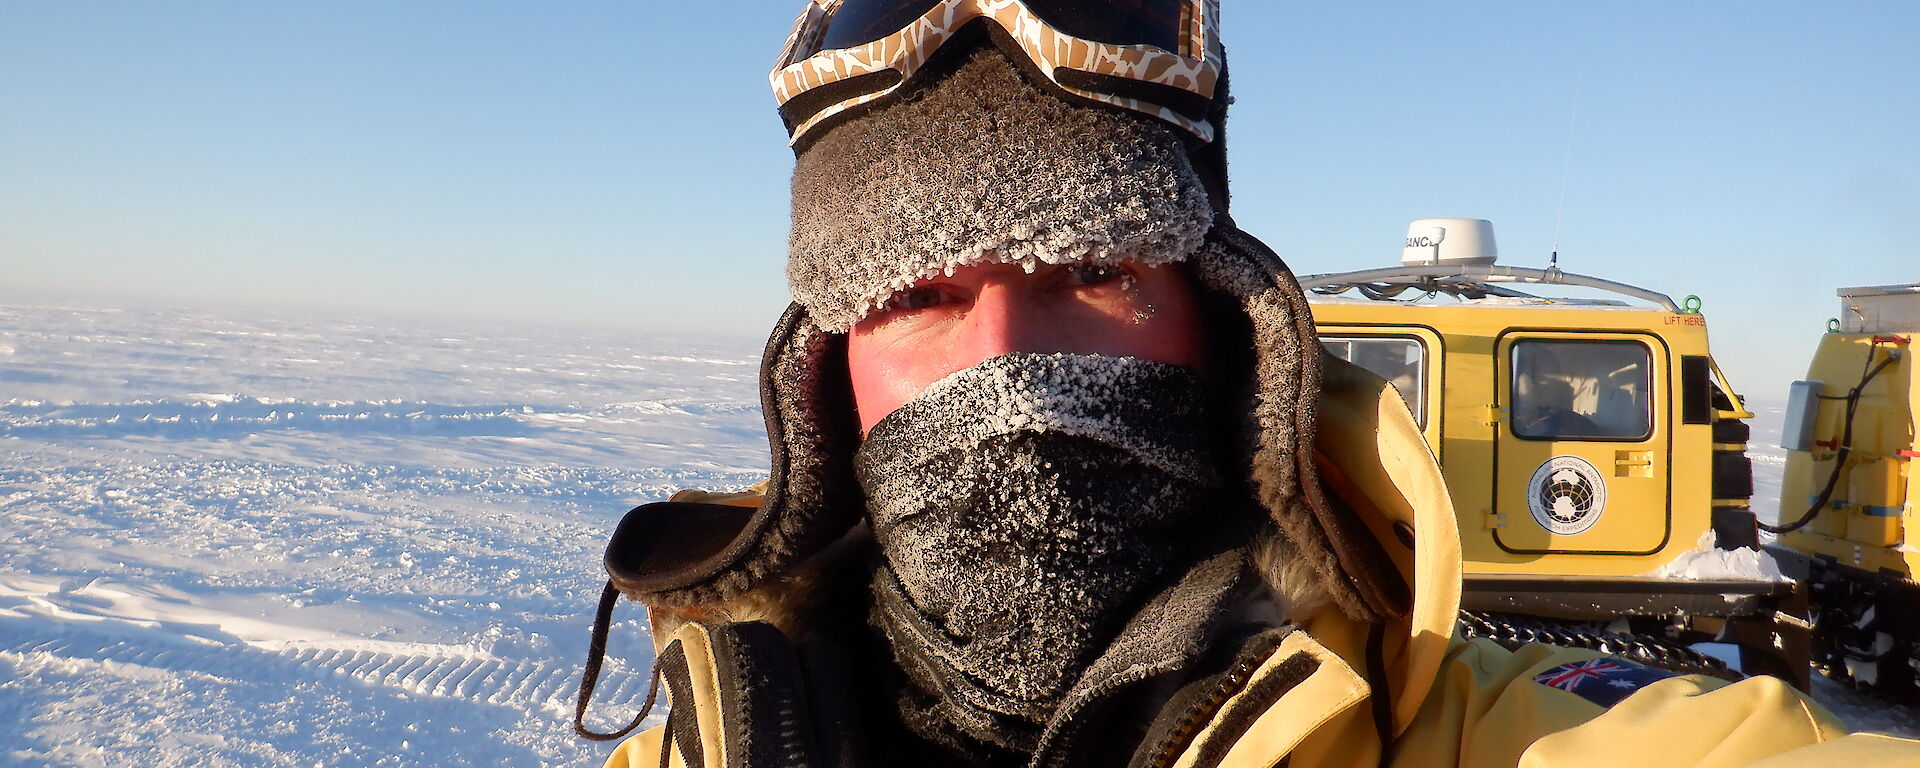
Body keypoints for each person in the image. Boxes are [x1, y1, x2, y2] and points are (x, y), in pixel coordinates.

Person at [575, 3, 1920, 766]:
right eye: (916, 298)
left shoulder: (1480, 735)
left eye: (1091, 270)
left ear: (1223, 326)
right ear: (828, 380)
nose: (999, 366)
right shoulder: (700, 744)